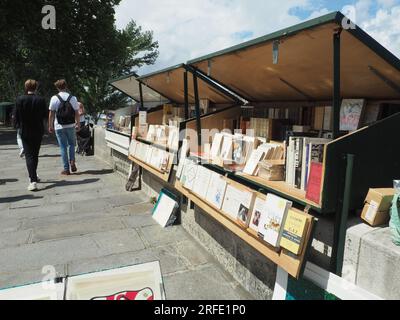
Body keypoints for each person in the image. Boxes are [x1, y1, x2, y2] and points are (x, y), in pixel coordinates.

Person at [14, 79, 48, 191]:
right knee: (35, 154)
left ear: (26, 87)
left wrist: (17, 126)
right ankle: (34, 176)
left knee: (29, 156)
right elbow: (45, 115)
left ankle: (32, 180)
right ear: (36, 87)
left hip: (25, 131)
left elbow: (16, 115)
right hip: (38, 130)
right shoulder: (41, 100)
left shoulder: (20, 99)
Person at [48, 79, 80, 175]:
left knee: (63, 147)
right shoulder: (73, 98)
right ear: (66, 86)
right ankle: (72, 161)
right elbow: (77, 113)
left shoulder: (54, 98)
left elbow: (51, 113)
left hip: (59, 126)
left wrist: (50, 125)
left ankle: (66, 169)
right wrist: (78, 124)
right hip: (71, 125)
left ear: (57, 87)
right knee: (71, 145)